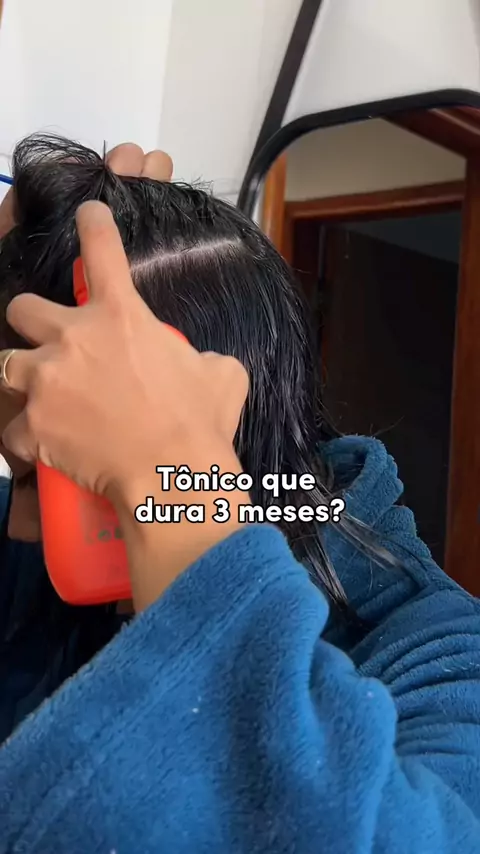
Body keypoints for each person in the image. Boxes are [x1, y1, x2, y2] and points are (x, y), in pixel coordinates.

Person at [0, 137, 479, 854]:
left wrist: (177, 493)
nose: (19, 528)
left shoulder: (444, 660)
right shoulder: (47, 572)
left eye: (36, 480)